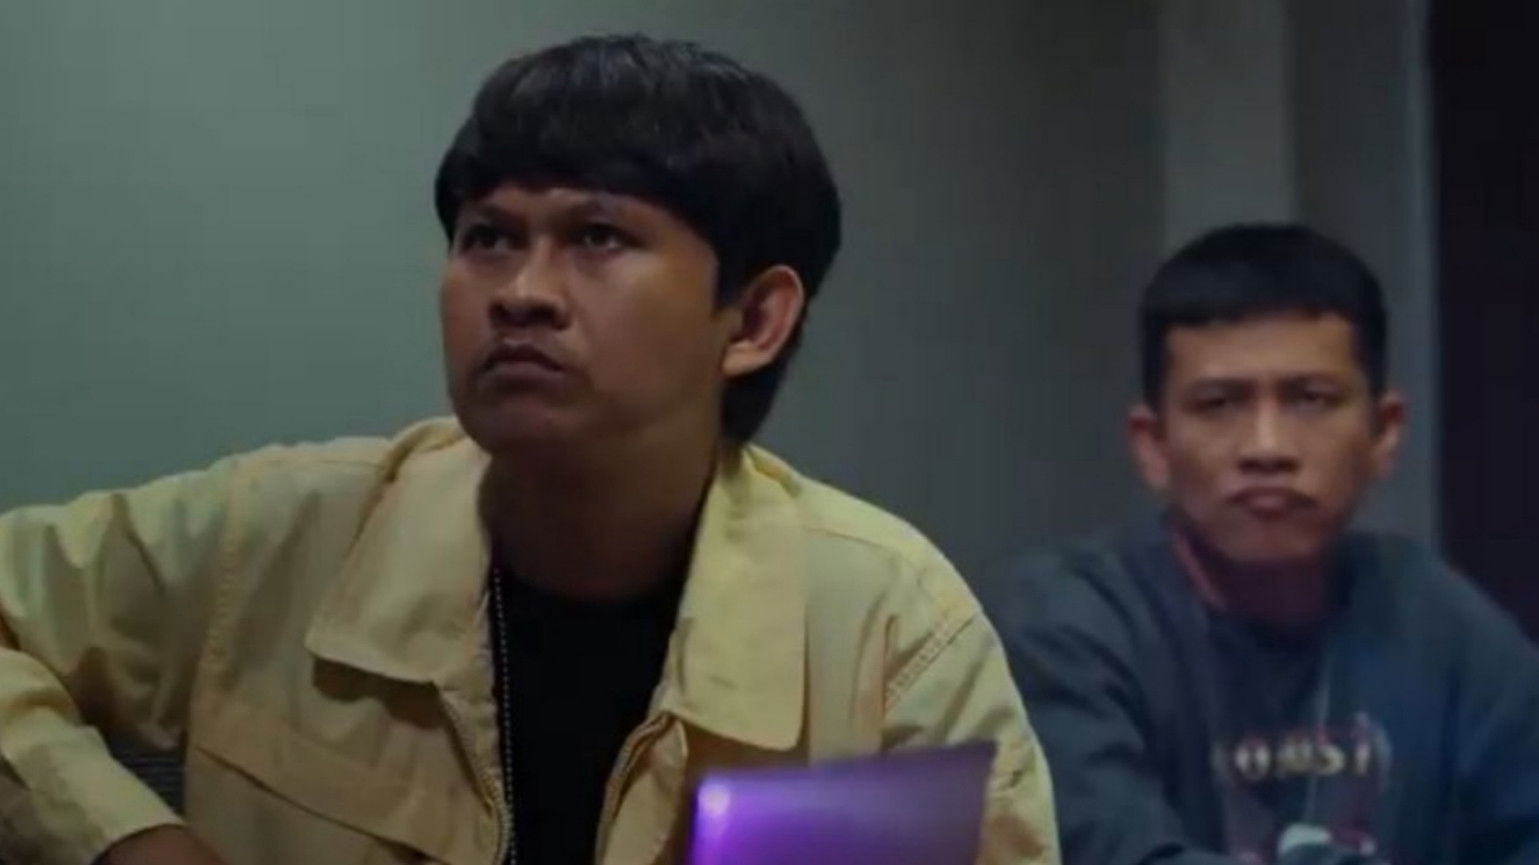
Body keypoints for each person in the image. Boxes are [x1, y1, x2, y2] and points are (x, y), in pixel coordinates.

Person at [0, 35, 1058, 865]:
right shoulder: (275, 535)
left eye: (597, 237)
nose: (520, 292)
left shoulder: (886, 633)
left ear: (752, 320)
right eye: (488, 237)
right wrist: (124, 840)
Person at [982, 224, 1539, 865]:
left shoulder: (1437, 619)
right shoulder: (1069, 627)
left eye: (1311, 400)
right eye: (1220, 404)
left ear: (1383, 433)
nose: (1267, 448)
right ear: (1153, 445)